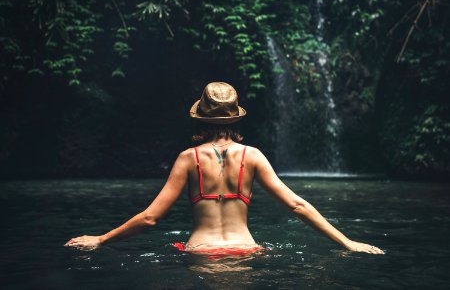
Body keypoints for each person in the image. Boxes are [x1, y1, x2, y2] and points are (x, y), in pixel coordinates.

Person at [65, 82, 384, 255]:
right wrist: (348, 242)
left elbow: (151, 218)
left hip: (199, 252)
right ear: (237, 119)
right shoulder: (254, 156)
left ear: (200, 119)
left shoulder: (187, 158)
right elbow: (297, 205)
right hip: (247, 251)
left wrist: (101, 239)